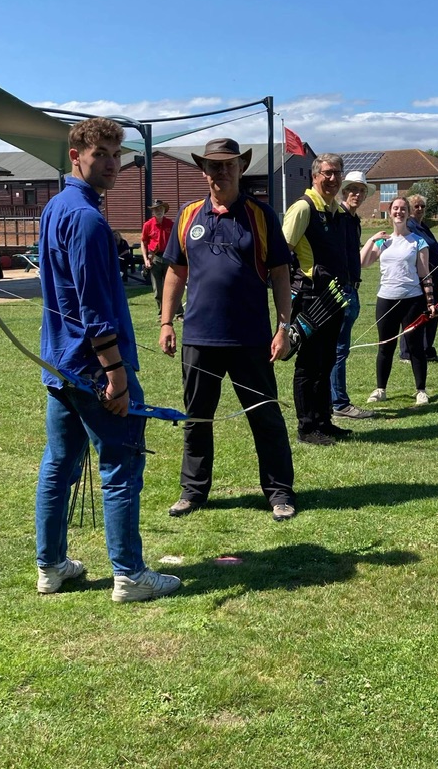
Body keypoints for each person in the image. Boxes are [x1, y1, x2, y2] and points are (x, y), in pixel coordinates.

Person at [35, 116, 181, 603]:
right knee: (119, 465)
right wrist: (116, 373)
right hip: (92, 368)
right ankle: (130, 574)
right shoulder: (88, 219)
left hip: (61, 363)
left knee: (59, 464)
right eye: (102, 155)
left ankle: (51, 565)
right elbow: (92, 306)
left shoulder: (56, 208)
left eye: (118, 156)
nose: (112, 165)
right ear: (75, 156)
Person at [160, 138, 296, 521]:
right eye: (214, 166)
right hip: (199, 338)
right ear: (204, 170)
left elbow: (281, 273)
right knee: (197, 418)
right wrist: (166, 321)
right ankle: (192, 492)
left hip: (251, 338)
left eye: (229, 165)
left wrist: (283, 325)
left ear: (240, 168)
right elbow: (175, 272)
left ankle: (280, 493)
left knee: (265, 415)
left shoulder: (261, 215)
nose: (221, 172)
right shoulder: (188, 216)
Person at [282, 153, 350, 446]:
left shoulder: (336, 210)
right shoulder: (303, 208)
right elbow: (281, 253)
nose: (332, 179)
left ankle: (324, 421)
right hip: (310, 298)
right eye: (327, 173)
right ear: (315, 176)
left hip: (332, 298)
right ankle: (307, 426)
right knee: (309, 365)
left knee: (326, 362)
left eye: (337, 173)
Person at [361, 196, 434, 406]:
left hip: (412, 300)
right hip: (386, 298)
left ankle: (421, 390)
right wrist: (371, 240)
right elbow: (363, 263)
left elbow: (424, 274)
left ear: (408, 213)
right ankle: (380, 389)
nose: (399, 212)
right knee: (385, 346)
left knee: (415, 346)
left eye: (403, 209)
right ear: (390, 212)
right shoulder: (383, 241)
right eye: (395, 208)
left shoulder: (418, 241)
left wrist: (430, 302)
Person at [330, 171, 375, 420]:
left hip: (351, 288)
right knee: (338, 349)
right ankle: (339, 402)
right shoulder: (341, 218)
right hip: (342, 290)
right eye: (352, 190)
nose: (356, 194)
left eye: (361, 191)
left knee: (337, 348)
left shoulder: (354, 220)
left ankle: (333, 400)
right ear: (344, 192)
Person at [403, 193, 438, 361]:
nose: (420, 209)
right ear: (410, 209)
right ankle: (408, 352)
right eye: (417, 206)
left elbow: (429, 251)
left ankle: (427, 349)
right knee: (417, 315)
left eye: (422, 206)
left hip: (434, 278)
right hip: (422, 280)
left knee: (431, 314)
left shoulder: (423, 226)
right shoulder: (410, 226)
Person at [141, 199, 173, 319]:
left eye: (160, 209)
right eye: (156, 209)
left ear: (164, 210)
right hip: (154, 257)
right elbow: (143, 242)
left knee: (173, 286)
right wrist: (146, 260)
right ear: (153, 212)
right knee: (157, 289)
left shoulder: (171, 224)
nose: (158, 211)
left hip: (169, 257)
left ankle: (179, 313)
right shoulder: (148, 225)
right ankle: (162, 314)